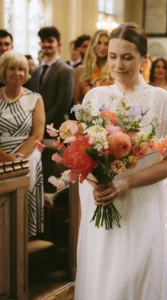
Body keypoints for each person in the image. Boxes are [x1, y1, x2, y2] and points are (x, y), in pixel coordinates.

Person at [74, 23, 167, 300]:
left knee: (131, 281)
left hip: (141, 204)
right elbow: (81, 153)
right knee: (103, 280)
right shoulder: (94, 97)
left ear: (143, 59)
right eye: (112, 56)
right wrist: (95, 182)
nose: (117, 64)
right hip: (103, 202)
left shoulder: (161, 100)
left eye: (127, 57)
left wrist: (126, 182)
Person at [0, 50, 45, 237]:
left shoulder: (35, 98)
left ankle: (24, 232)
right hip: (0, 152)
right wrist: (3, 156)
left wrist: (17, 158)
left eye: (21, 69)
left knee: (30, 166)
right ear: (3, 71)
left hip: (26, 153)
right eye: (12, 68)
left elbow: (37, 134)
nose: (17, 73)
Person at [26, 26, 74, 192]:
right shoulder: (36, 71)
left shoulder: (66, 70)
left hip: (56, 130)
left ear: (58, 43)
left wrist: (42, 124)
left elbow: (63, 104)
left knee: (55, 177)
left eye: (50, 41)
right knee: (41, 175)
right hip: (38, 133)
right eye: (43, 41)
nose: (46, 45)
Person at [74, 30, 113, 104]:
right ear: (93, 45)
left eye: (106, 44)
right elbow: (77, 100)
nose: (102, 47)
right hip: (86, 113)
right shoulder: (80, 70)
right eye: (99, 43)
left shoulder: (114, 71)